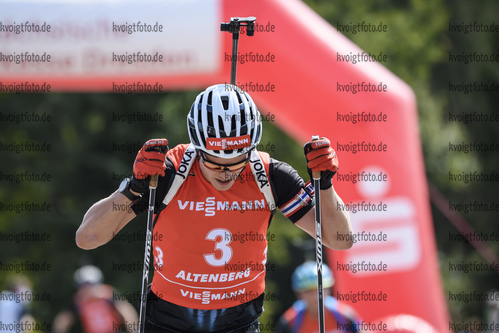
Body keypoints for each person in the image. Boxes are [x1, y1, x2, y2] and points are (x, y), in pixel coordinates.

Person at [76, 84, 353, 332]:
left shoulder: (270, 175)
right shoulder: (169, 174)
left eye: (236, 162)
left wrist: (325, 185)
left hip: (239, 322)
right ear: (198, 147)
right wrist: (132, 188)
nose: (226, 173)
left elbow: (340, 240)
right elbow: (88, 238)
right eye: (215, 162)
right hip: (169, 322)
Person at [275, 261, 362, 333]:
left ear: (328, 289)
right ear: (299, 293)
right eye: (308, 291)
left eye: (320, 289)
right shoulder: (289, 321)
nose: (315, 296)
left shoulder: (344, 314)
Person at [52, 265, 138, 333]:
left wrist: (134, 330)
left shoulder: (107, 294)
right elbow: (64, 319)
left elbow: (126, 311)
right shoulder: (79, 300)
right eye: (81, 286)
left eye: (87, 285)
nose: (84, 289)